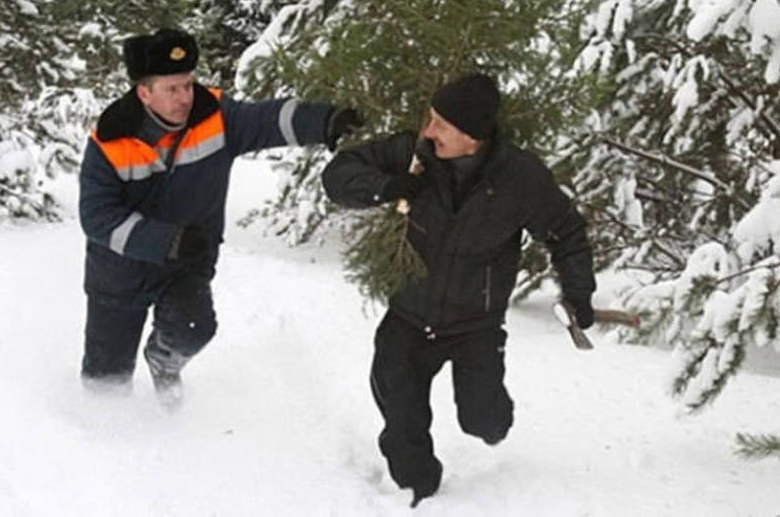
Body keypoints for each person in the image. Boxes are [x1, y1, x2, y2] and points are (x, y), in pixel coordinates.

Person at [321, 73, 596, 507]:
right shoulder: (415, 155)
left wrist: (578, 293)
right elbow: (338, 174)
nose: (428, 131)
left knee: (486, 423)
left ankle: (488, 417)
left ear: (472, 137)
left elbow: (566, 231)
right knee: (403, 428)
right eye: (430, 119)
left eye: (440, 125)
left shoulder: (519, 177)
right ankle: (420, 497)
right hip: (410, 319)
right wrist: (386, 186)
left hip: (476, 325)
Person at [79, 27, 359, 409]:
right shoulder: (110, 140)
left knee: (193, 330)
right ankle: (100, 446)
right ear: (144, 92)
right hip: (120, 273)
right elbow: (98, 218)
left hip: (186, 263)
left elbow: (269, 120)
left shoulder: (215, 115)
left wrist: (326, 120)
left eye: (188, 85)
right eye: (172, 89)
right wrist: (166, 240)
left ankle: (163, 361)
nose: (184, 98)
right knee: (106, 382)